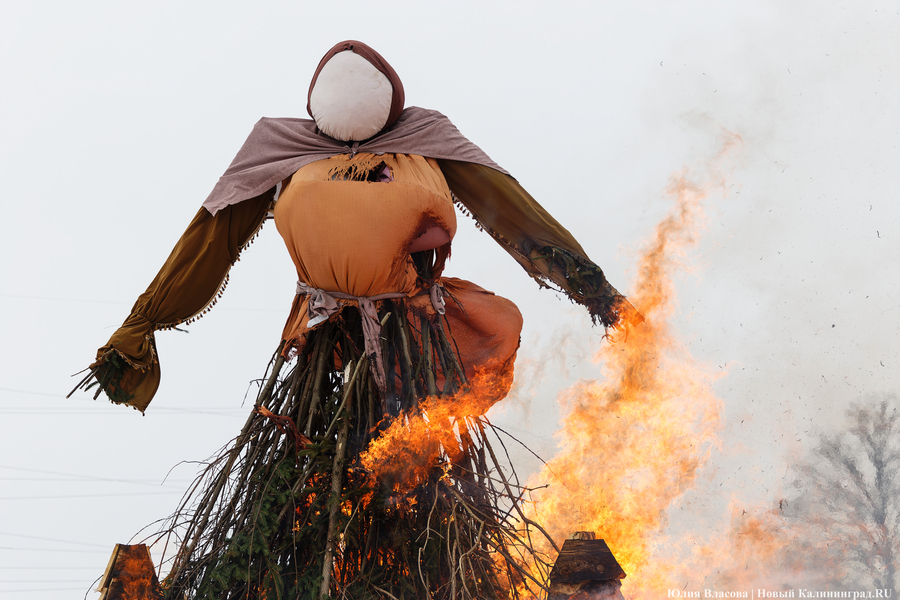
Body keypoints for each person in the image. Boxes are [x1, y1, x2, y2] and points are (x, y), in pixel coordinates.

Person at [74, 40, 640, 600]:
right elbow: (209, 238)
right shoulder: (281, 146)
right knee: (302, 488)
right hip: (326, 346)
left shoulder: (426, 140)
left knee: (423, 476)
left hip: (416, 343)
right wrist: (140, 327)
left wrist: (595, 290)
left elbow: (514, 210)